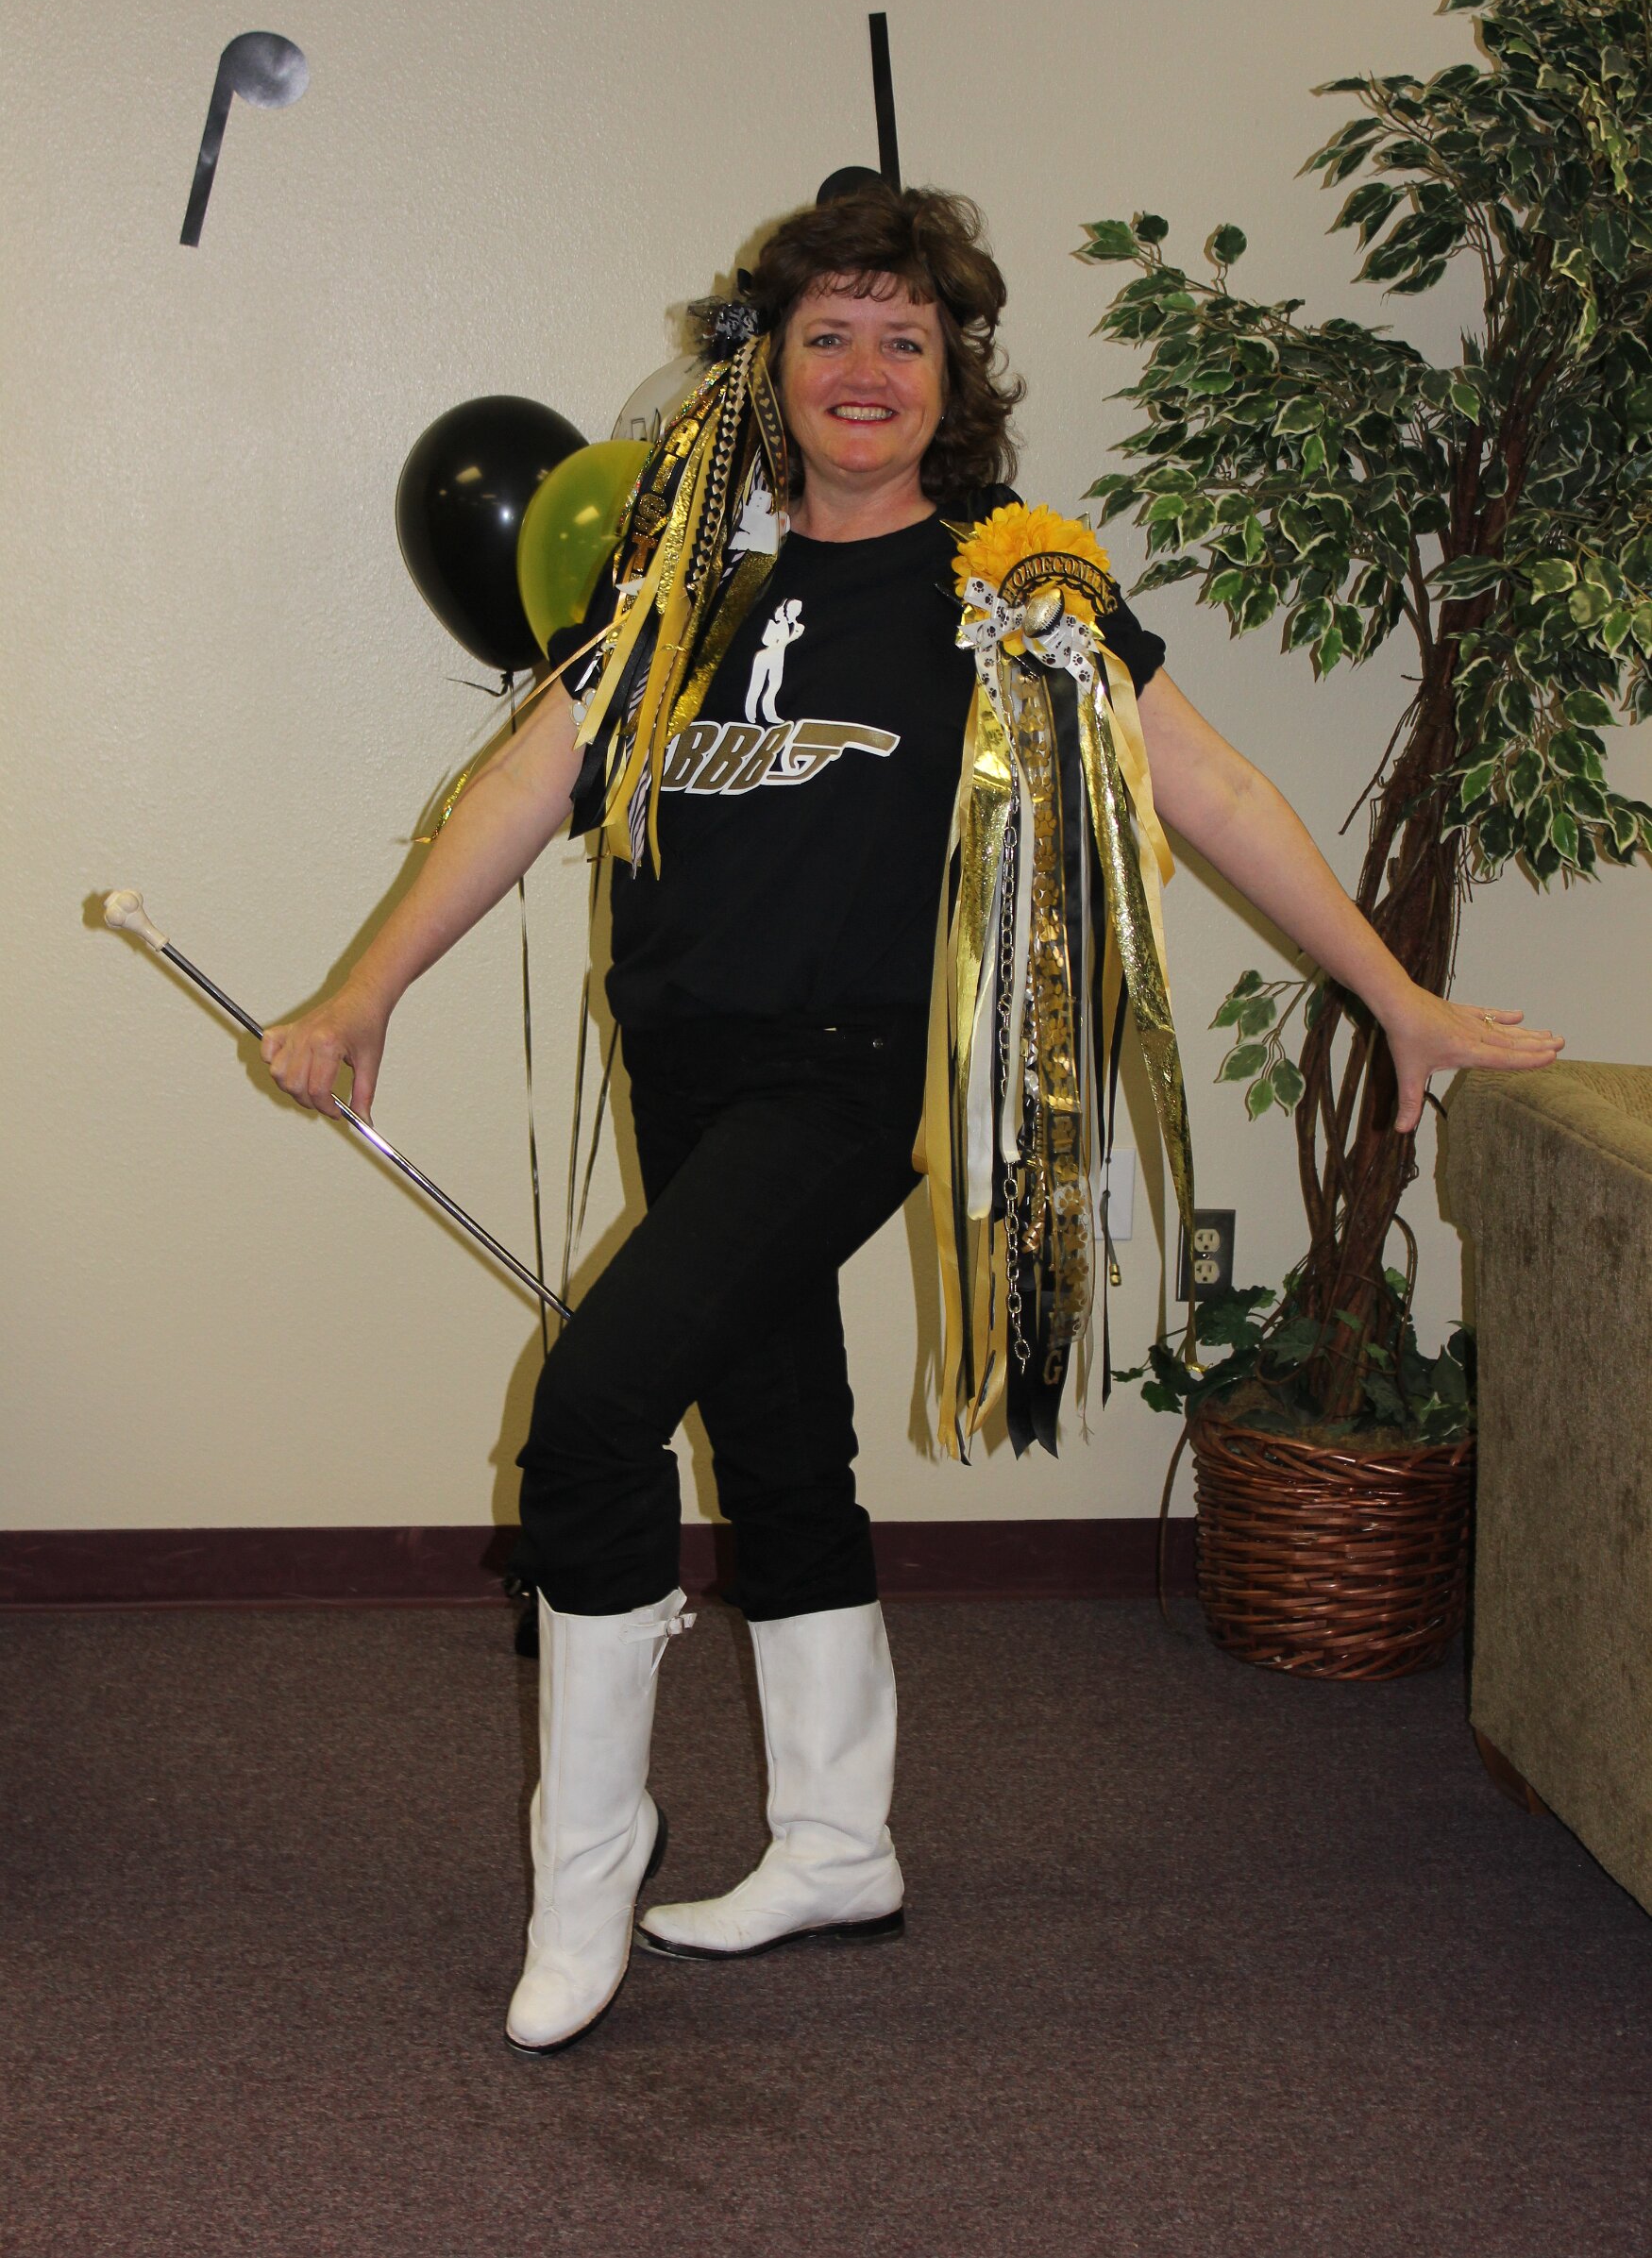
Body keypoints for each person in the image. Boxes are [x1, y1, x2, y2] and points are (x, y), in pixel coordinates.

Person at [261, 184, 1562, 2056]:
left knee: (597, 1405)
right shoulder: (684, 578)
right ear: (770, 370)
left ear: (952, 377)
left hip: (856, 1066)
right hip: (679, 1058)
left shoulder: (1007, 585)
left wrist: (1393, 991)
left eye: (904, 336)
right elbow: (522, 785)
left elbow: (1203, 784)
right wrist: (363, 988)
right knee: (777, 1437)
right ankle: (833, 1845)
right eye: (829, 335)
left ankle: (584, 1876)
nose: (864, 368)